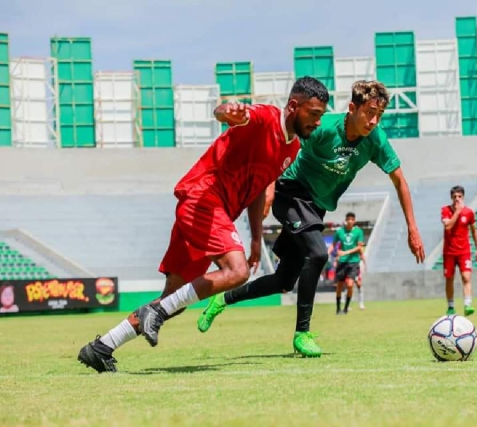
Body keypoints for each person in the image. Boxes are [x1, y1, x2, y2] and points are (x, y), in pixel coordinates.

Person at [76, 77, 330, 373]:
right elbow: (228, 113)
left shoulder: (292, 148)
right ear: (293, 106)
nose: (317, 121)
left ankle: (101, 347)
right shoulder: (265, 117)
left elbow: (258, 190)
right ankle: (153, 313)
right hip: (204, 199)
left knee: (174, 299)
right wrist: (226, 112)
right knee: (236, 273)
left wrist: (256, 240)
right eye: (313, 114)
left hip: (209, 210)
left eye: (321, 115)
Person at [197, 80, 426, 357]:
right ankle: (302, 333)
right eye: (369, 113)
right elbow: (284, 146)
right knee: (318, 254)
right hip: (290, 192)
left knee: (284, 281)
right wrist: (268, 186)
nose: (374, 121)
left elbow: (399, 180)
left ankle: (222, 299)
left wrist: (412, 229)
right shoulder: (323, 127)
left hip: (315, 208)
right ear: (352, 108)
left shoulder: (375, 139)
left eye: (379, 115)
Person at [441, 185, 477, 316]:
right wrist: (457, 212)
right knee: (449, 279)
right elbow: (448, 226)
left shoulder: (469, 212)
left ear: (463, 197)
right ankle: (451, 306)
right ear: (451, 198)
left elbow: (474, 231)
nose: (457, 199)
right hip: (449, 252)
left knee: (466, 276)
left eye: (459, 196)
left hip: (464, 251)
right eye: (454, 197)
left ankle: (468, 304)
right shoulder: (446, 210)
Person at [328, 212, 364, 315]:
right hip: (342, 262)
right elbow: (333, 245)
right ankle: (338, 308)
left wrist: (345, 252)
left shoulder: (358, 232)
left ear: (354, 221)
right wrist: (327, 252)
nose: (349, 221)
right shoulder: (340, 232)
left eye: (352, 219)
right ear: (346, 220)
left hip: (353, 261)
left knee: (350, 284)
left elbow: (359, 246)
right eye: (348, 219)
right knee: (339, 286)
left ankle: (346, 308)